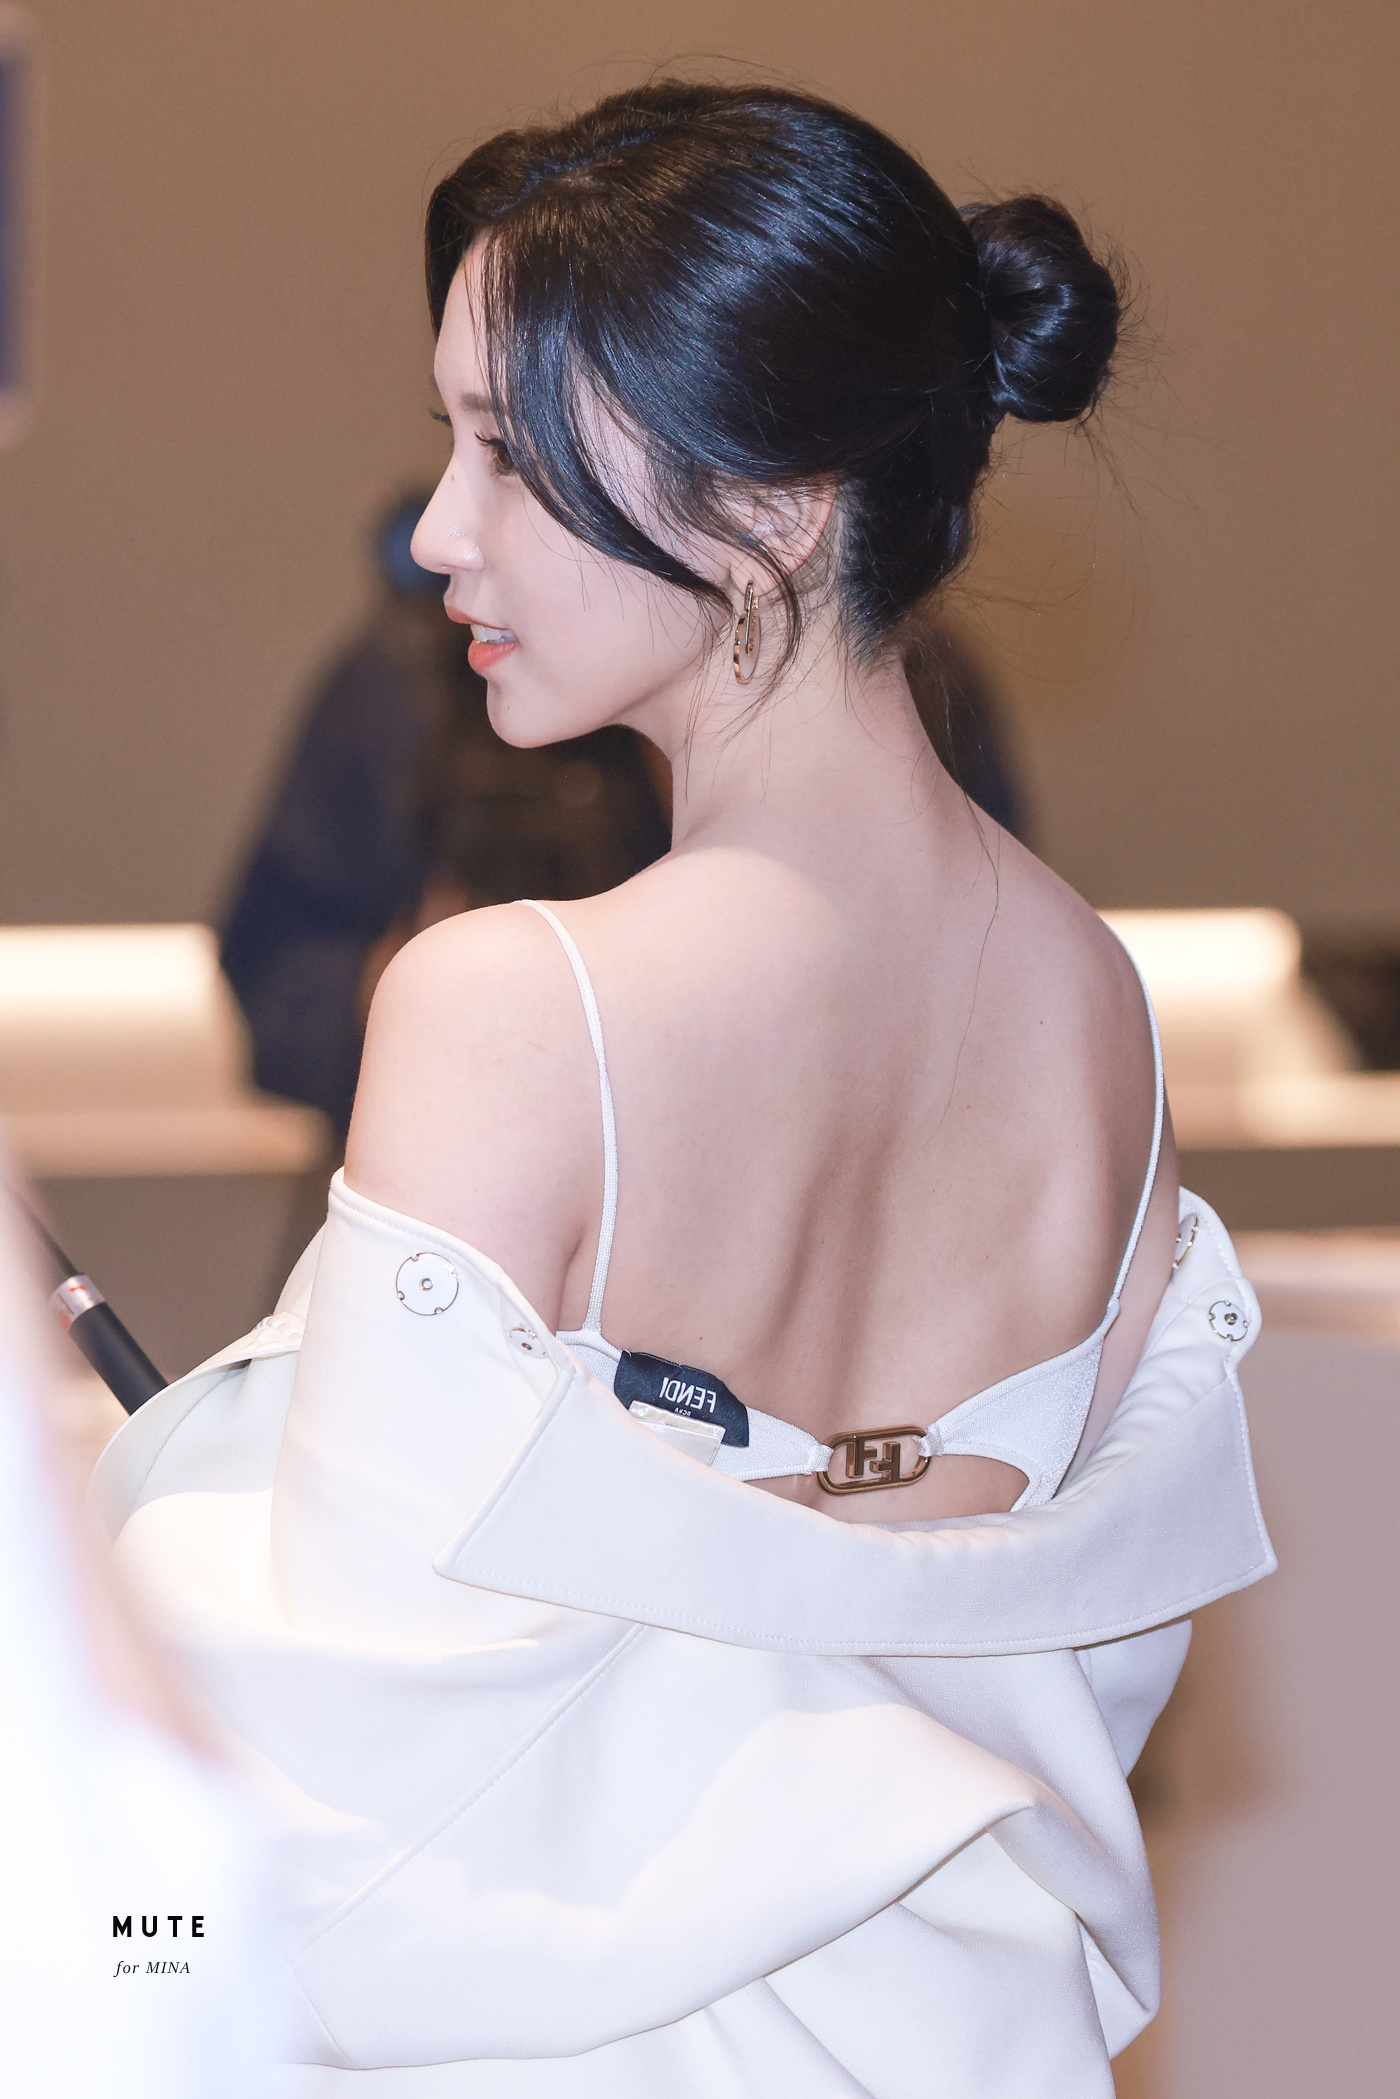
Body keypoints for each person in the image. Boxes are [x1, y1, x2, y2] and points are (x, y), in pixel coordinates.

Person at [94, 83, 1274, 2094]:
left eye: (505, 447)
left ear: (779, 501)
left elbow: (339, 1770)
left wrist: (107, 1508)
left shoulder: (514, 1006)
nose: (440, 527)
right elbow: (1006, 1637)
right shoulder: (1107, 1012)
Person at [220, 494, 669, 1138]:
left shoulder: (693, 684)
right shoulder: (403, 689)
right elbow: (273, 972)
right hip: (439, 1135)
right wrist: (392, 984)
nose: (436, 538)